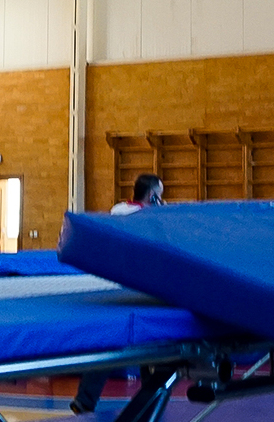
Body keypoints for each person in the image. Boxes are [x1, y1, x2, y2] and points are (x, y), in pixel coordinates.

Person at [73, 175, 168, 414]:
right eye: (160, 194)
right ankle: (151, 399)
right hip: (140, 288)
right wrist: (161, 213)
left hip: (119, 286)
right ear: (153, 196)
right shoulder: (144, 215)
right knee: (150, 347)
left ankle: (86, 399)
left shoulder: (118, 209)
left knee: (112, 344)